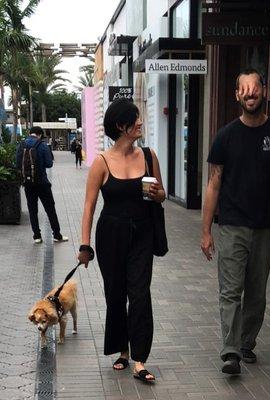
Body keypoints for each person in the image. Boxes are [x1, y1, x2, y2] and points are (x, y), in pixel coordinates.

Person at [201, 68, 270, 375]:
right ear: (236, 95)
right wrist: (206, 230)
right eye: (243, 89)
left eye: (254, 88)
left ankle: (246, 343)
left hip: (264, 227)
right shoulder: (225, 137)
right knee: (230, 290)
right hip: (231, 226)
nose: (249, 94)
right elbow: (213, 185)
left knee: (256, 292)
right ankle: (230, 352)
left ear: (264, 91)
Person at [77, 98, 165, 382]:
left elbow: (162, 193)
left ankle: (139, 359)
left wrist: (158, 195)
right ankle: (121, 350)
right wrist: (84, 245)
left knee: (140, 294)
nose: (140, 122)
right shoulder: (101, 163)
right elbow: (89, 207)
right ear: (120, 126)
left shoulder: (149, 156)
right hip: (110, 236)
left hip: (142, 234)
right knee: (116, 295)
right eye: (135, 119)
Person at [16, 126, 68, 244]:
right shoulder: (42, 145)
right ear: (39, 134)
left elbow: (17, 163)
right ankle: (57, 235)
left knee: (32, 209)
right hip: (42, 183)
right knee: (50, 208)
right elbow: (49, 164)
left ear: (30, 133)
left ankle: (37, 236)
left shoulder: (21, 145)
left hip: (28, 183)